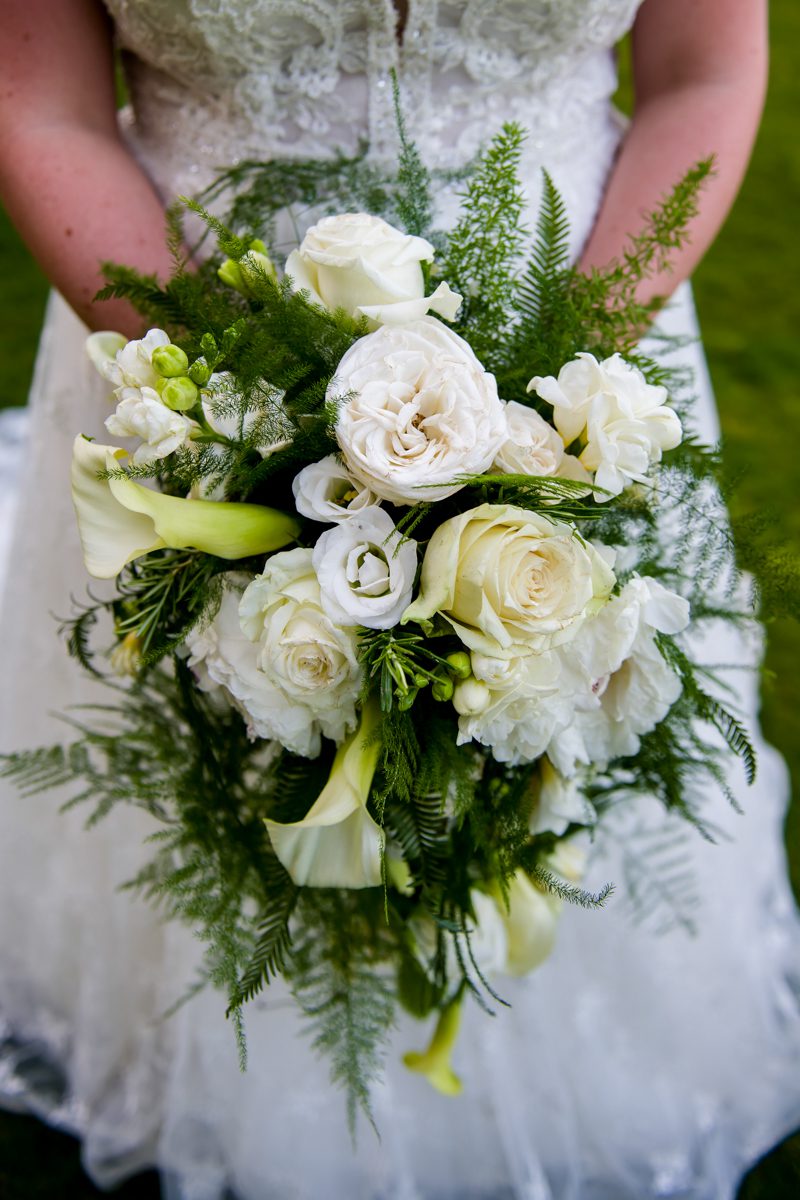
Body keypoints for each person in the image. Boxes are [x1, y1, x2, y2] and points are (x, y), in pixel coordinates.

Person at [0, 2, 798, 1197]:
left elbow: (704, 72)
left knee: (567, 732)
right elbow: (43, 101)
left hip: (583, 348)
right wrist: (238, 423)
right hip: (182, 355)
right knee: (217, 764)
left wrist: (558, 405)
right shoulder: (208, 399)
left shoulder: (576, 386)